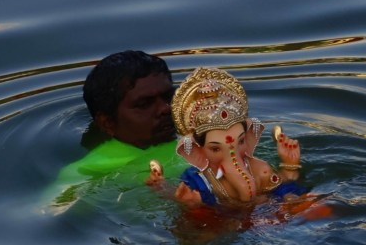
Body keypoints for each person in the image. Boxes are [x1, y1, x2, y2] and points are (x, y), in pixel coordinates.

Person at [146, 67, 306, 208]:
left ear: (250, 138)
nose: (232, 155)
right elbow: (185, 202)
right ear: (197, 151)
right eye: (215, 148)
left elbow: (283, 189)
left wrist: (290, 168)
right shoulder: (198, 181)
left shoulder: (260, 169)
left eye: (241, 141)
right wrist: (166, 190)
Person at [47, 50, 186, 206]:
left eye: (169, 96)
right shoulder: (90, 171)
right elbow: (47, 212)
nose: (166, 109)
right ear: (108, 123)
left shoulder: (201, 133)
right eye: (144, 104)